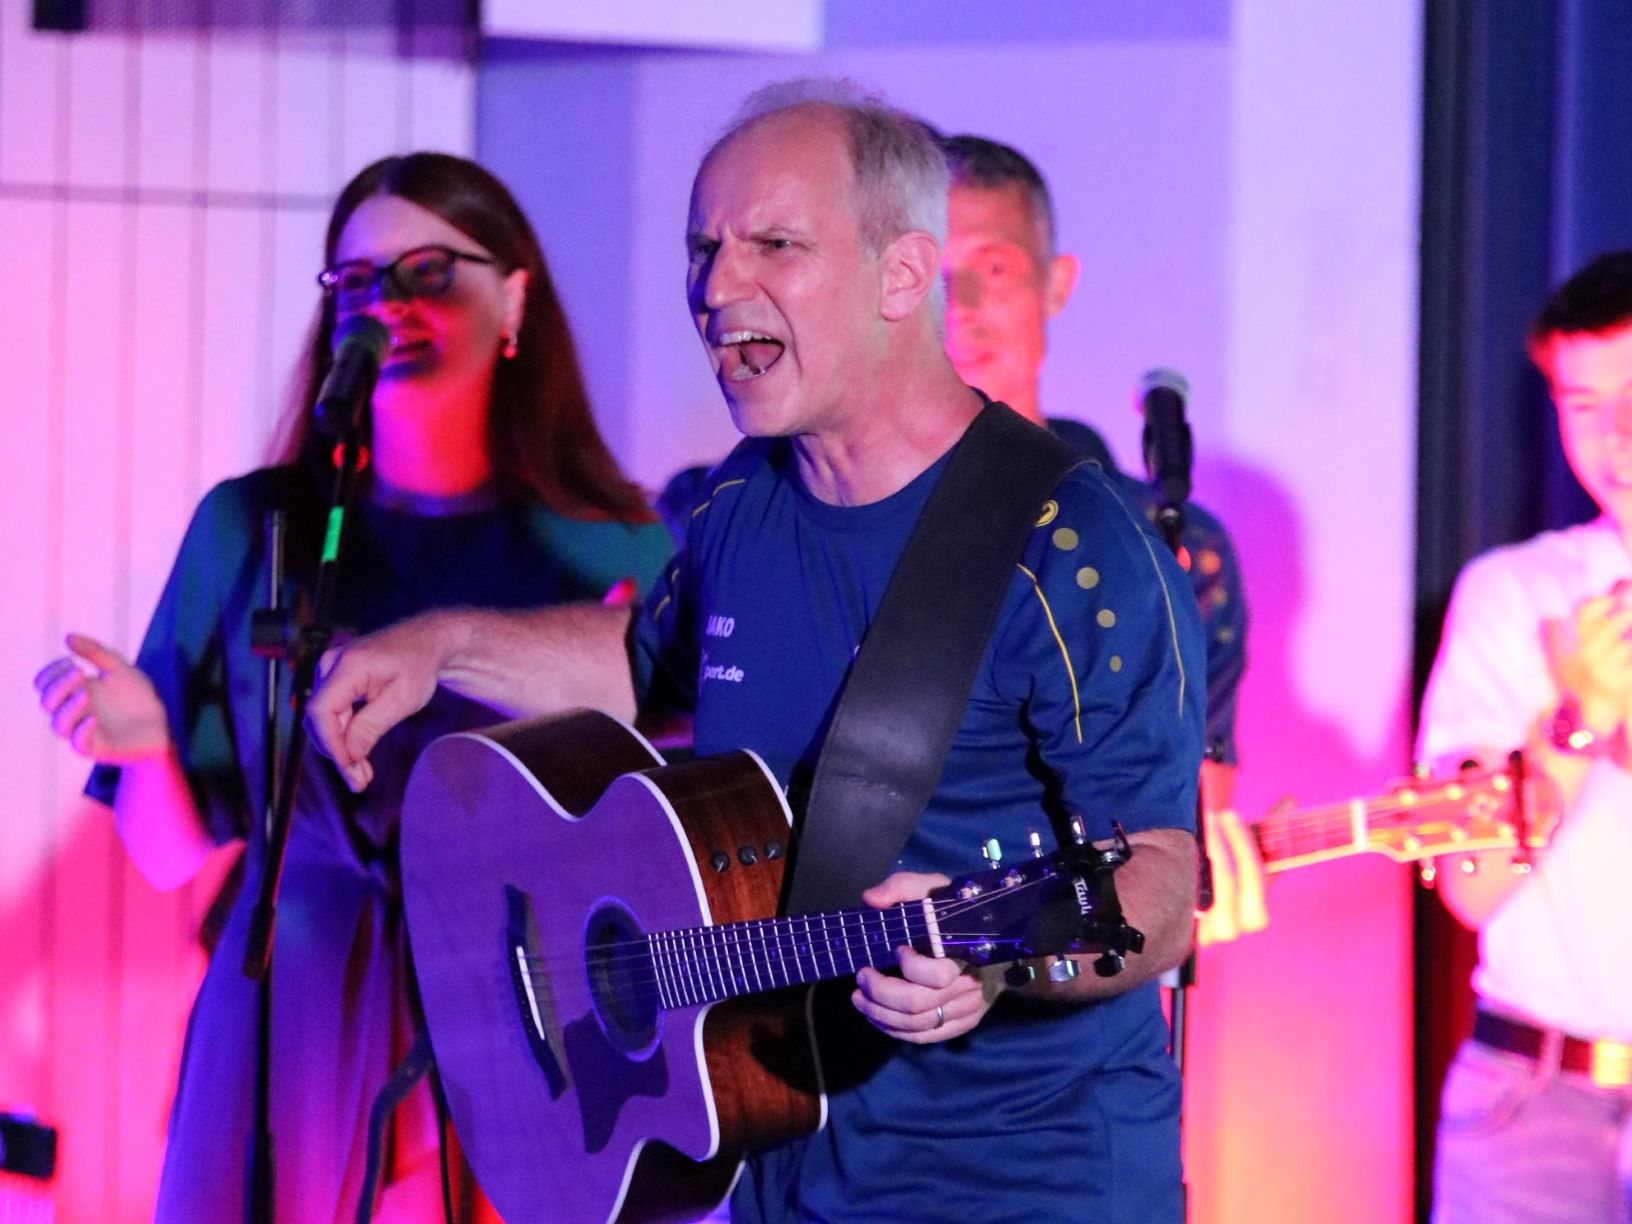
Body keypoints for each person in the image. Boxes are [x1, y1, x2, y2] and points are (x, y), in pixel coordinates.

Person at [309, 83, 1205, 1223]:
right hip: (778, 1163)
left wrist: (998, 951)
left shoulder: (1072, 546)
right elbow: (647, 663)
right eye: (704, 249)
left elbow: (1164, 877)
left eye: (774, 244)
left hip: (1028, 1186)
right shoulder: (745, 496)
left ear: (900, 275)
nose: (717, 287)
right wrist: (444, 645)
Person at [33, 152, 672, 1223]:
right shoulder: (255, 530)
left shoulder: (616, 550)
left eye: (430, 272)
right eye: (359, 282)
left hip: (521, 1014)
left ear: (515, 298)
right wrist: (143, 749)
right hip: (288, 1007)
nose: (390, 306)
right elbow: (173, 855)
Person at [938, 132, 1263, 945]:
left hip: (1066, 982)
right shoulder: (821, 504)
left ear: (1056, 283)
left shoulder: (1163, 544)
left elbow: (1182, 816)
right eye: (931, 272)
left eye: (994, 269)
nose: (960, 304)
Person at [1418, 250, 1632, 1222]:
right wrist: (1578, 720)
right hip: (1534, 1102)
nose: (1615, 439)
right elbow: (1469, 887)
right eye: (1583, 406)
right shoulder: (1516, 595)